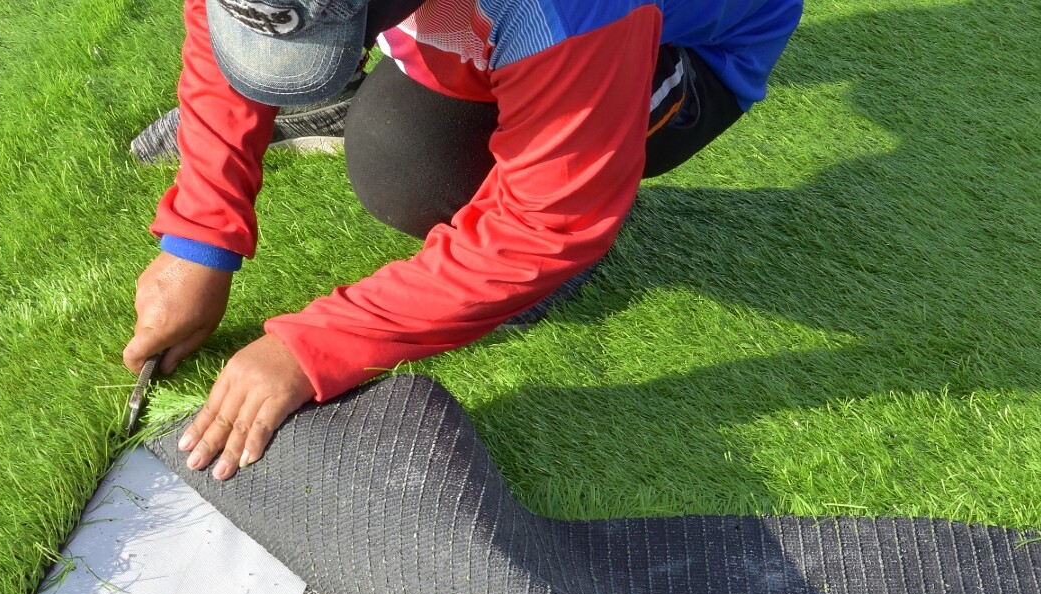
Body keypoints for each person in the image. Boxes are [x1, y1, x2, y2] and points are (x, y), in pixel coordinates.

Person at [125, 0, 803, 481]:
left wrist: (308, 349)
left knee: (412, 172)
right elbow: (230, 12)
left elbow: (543, 226)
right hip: (505, 26)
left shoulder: (569, 13)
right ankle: (352, 77)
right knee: (398, 140)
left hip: (670, 54)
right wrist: (199, 236)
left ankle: (597, 161)